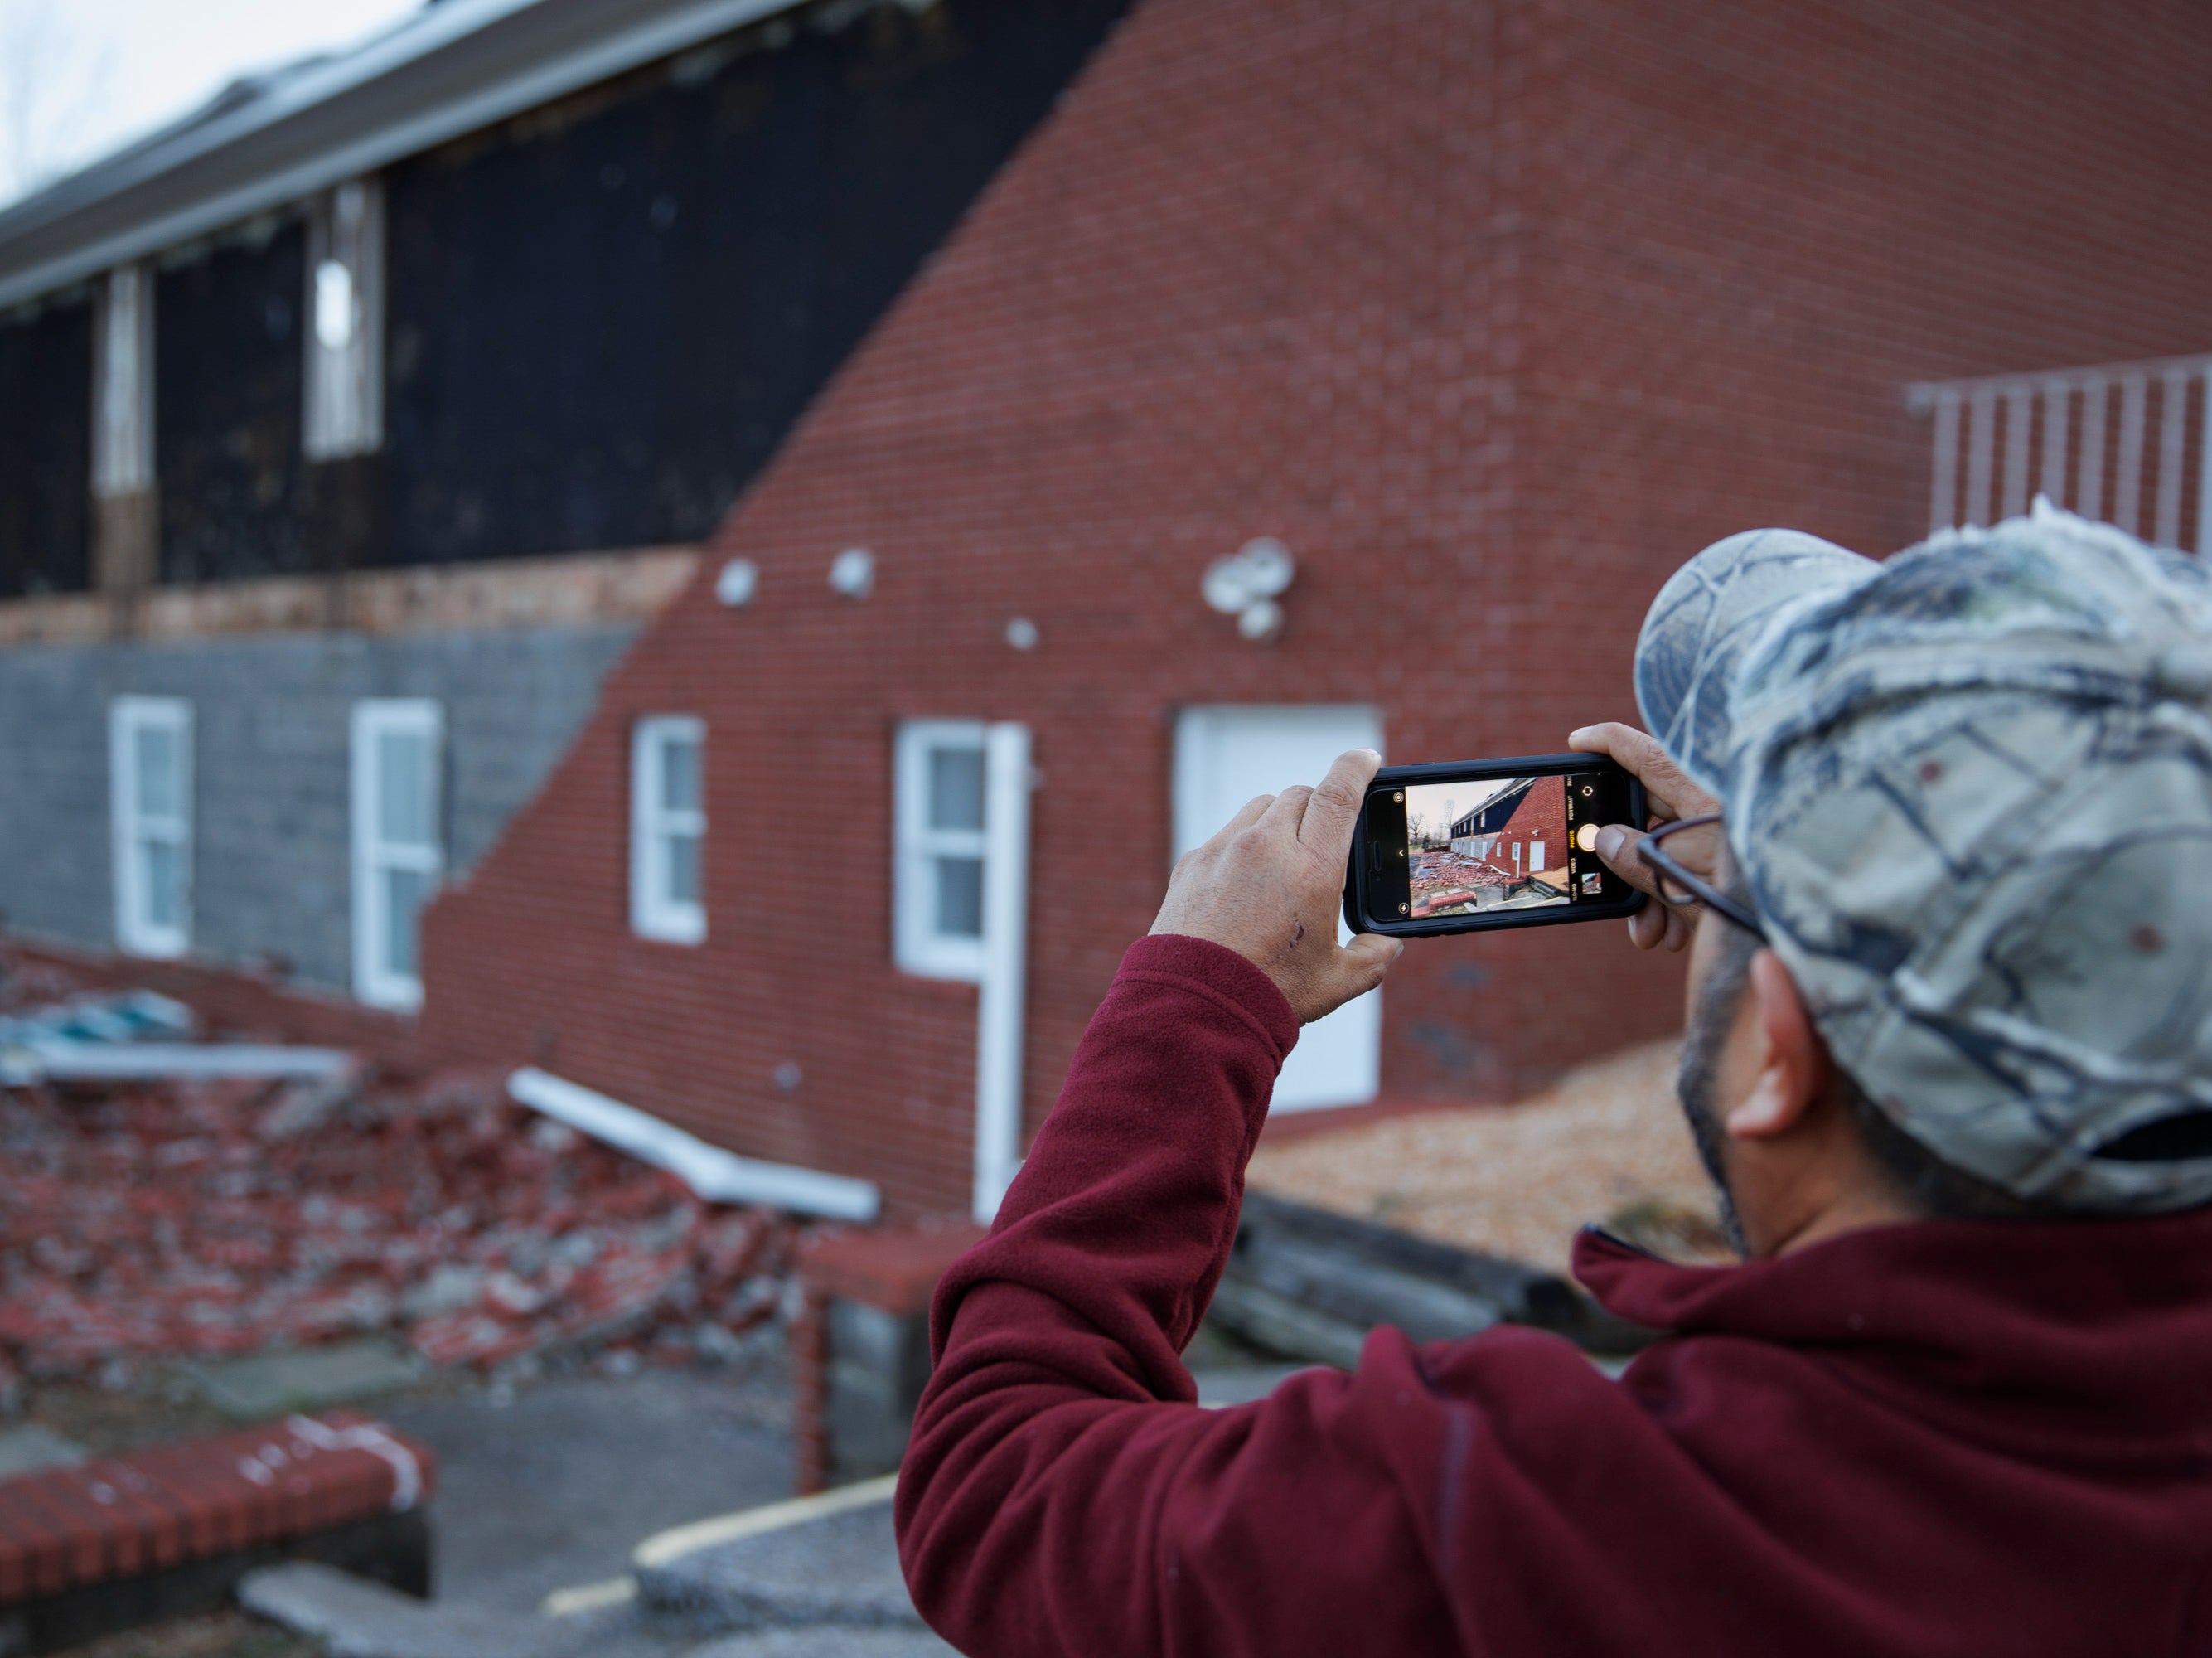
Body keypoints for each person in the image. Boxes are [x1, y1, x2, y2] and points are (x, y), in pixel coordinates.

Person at [894, 504, 2212, 1656]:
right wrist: (1755, 902)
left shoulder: (1553, 1523)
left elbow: (997, 1487)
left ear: (1781, 1062)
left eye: (1728, 887)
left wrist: (1191, 1003)